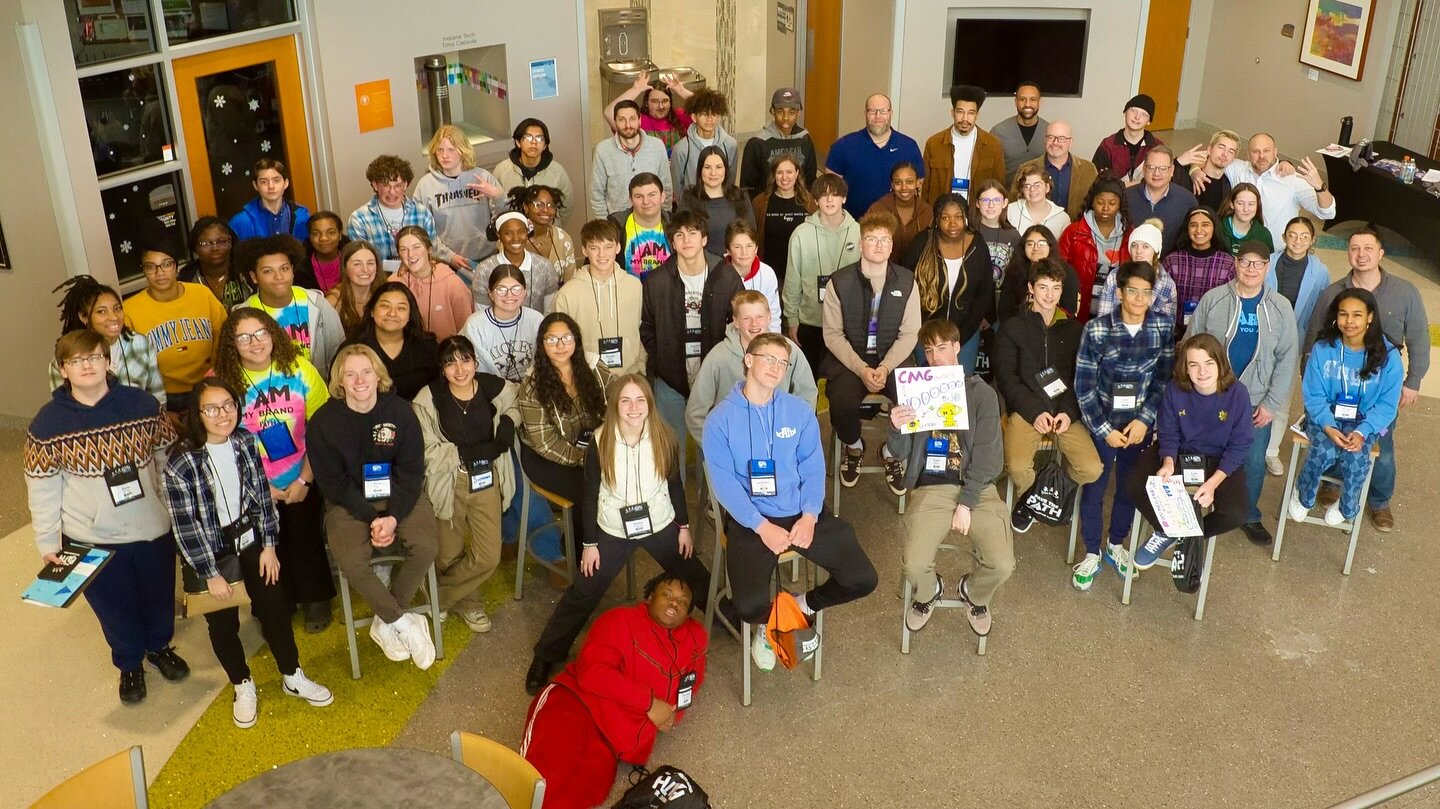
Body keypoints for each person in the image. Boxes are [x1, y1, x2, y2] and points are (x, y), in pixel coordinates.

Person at [26, 329, 187, 705]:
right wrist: (48, 543)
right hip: (90, 535)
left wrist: (173, 511)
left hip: (150, 524)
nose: (87, 366)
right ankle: (130, 664)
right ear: (62, 370)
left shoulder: (142, 405)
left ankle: (159, 647)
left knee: (158, 594)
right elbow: (43, 489)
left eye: (94, 357)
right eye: (76, 361)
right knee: (114, 607)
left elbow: (165, 460)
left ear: (108, 361)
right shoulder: (47, 425)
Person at [162, 377, 333, 727]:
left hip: (250, 538)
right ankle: (242, 682)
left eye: (228, 405)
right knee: (222, 623)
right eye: (212, 408)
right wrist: (210, 573)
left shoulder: (243, 441)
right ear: (197, 413)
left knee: (274, 607)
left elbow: (260, 498)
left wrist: (269, 545)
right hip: (211, 549)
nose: (223, 414)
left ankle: (292, 674)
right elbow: (185, 526)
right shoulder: (180, 462)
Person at [526, 374, 712, 693]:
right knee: (584, 590)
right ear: (615, 406)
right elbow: (590, 495)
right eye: (625, 400)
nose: (633, 407)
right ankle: (546, 654)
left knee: (693, 572)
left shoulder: (665, 437)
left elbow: (676, 487)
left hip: (658, 521)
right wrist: (590, 544)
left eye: (640, 400)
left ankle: (733, 618)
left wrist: (683, 527)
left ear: (649, 405)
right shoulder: (600, 442)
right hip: (613, 528)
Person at [702, 332, 878, 670]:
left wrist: (810, 516)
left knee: (863, 578)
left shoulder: (798, 412)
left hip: (802, 513)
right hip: (752, 519)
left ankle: (797, 607)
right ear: (748, 360)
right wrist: (760, 526)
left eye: (782, 363)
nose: (775, 367)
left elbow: (813, 469)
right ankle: (769, 625)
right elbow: (724, 484)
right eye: (768, 358)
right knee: (749, 606)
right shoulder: (720, 420)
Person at [522, 572, 708, 809]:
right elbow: (592, 673)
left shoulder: (695, 638)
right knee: (539, 781)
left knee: (579, 796)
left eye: (683, 602)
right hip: (575, 704)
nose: (674, 603)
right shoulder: (620, 620)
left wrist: (671, 714)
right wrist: (650, 703)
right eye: (667, 594)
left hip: (611, 744)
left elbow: (692, 681)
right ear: (650, 597)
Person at [308, 344, 439, 669]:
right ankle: (402, 621)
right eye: (350, 374)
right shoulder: (324, 422)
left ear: (378, 374)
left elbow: (411, 472)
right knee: (351, 560)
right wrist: (372, 519)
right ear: (339, 380)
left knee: (426, 546)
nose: (359, 380)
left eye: (366, 371)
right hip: (349, 500)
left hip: (400, 494)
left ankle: (386, 620)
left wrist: (391, 517)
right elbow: (333, 484)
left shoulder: (399, 412)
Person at [212, 307, 336, 635]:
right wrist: (261, 488)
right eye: (243, 337)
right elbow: (217, 443)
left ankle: (315, 598)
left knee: (303, 533)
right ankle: (276, 605)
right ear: (231, 343)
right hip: (249, 484)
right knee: (262, 548)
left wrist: (303, 479)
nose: (254, 342)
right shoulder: (221, 382)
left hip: (301, 473)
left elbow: (322, 430)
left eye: (261, 333)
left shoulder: (300, 370)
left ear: (273, 334)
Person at [890, 319, 1012, 636]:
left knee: (1002, 564)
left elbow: (989, 456)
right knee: (914, 565)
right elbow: (899, 452)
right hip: (932, 485)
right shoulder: (914, 390)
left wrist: (967, 503)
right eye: (929, 351)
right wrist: (896, 425)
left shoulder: (981, 394)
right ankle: (928, 592)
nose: (935, 357)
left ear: (957, 348)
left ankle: (974, 593)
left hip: (978, 489)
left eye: (942, 348)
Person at [1302, 228, 1428, 532]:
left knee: (1380, 447)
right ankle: (1332, 485)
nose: (1361, 254)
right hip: (1337, 386)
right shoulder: (1333, 292)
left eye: (1368, 248)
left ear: (1380, 253)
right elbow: (1314, 336)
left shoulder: (1404, 291)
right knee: (1331, 436)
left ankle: (1379, 501)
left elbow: (1420, 338)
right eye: (1354, 248)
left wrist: (1413, 382)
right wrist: (1309, 378)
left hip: (1378, 386)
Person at [1072, 261, 1175, 591]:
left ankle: (1116, 544)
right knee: (1096, 487)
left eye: (1146, 292)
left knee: (1130, 488)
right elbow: (1084, 386)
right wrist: (1103, 429)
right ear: (1119, 292)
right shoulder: (1097, 329)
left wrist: (1145, 420)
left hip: (1138, 427)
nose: (1139, 298)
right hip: (1102, 423)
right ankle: (1091, 550)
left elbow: (1162, 380)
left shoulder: (1161, 327)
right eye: (1133, 291)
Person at [1190, 241, 1298, 545]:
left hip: (1255, 400)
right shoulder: (1213, 300)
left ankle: (1247, 513)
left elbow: (1288, 358)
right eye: (1245, 262)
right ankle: (1199, 505)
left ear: (1267, 268)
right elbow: (1191, 343)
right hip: (1210, 395)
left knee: (1251, 461)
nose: (1251, 269)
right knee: (1201, 451)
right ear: (1235, 264)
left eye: (1258, 264)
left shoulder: (1280, 307)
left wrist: (1272, 404)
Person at [1126, 333, 1255, 568]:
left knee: (1237, 512)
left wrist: (1214, 483)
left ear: (1220, 363)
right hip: (1180, 452)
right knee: (1135, 483)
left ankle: (1189, 536)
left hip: (1219, 459)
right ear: (1185, 368)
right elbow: (1168, 431)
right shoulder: (1175, 390)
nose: (1202, 372)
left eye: (1209, 363)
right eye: (1194, 365)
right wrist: (1168, 462)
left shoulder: (1238, 393)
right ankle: (1168, 531)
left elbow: (1240, 444)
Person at [411, 335, 512, 634]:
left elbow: (519, 402)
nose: (459, 369)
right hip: (448, 481)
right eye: (450, 362)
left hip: (486, 479)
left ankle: (438, 596)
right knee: (449, 552)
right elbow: (426, 451)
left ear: (475, 361)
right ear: (442, 369)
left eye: (465, 360)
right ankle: (470, 604)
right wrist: (465, 454)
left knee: (488, 555)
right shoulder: (428, 399)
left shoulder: (494, 388)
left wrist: (509, 422)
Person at [994, 261, 1102, 532]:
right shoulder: (1013, 327)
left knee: (1092, 469)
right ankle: (1031, 499)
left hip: (1064, 411)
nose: (1049, 295)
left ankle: (1051, 491)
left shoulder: (1075, 329)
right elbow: (1007, 378)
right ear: (1031, 289)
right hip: (1028, 410)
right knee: (1017, 466)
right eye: (1043, 287)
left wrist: (1067, 413)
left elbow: (1081, 378)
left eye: (1056, 288)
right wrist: (1034, 412)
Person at [1289, 289, 1403, 528]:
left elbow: (1387, 404)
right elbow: (1313, 394)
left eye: (1357, 315)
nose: (1349, 321)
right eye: (1343, 314)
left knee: (1356, 457)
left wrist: (1363, 431)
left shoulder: (1389, 356)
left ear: (1370, 317)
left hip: (1364, 418)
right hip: (1326, 414)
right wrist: (1328, 426)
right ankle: (1303, 494)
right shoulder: (1323, 349)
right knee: (1324, 450)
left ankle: (1347, 506)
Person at [823, 211, 921, 489]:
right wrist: (861, 369)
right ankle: (854, 447)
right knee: (840, 402)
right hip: (850, 360)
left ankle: (891, 452)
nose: (878, 245)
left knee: (912, 402)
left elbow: (910, 333)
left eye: (884, 239)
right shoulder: (839, 282)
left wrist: (886, 367)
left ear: (892, 245)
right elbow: (832, 334)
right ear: (861, 242)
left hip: (893, 358)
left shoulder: (907, 281)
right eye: (871, 238)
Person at [517, 313, 614, 564]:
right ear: (542, 344)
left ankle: (605, 548)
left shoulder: (593, 367)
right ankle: (579, 559)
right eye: (552, 340)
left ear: (576, 340)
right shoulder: (532, 385)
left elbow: (617, 401)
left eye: (566, 338)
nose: (560, 346)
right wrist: (587, 459)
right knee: (589, 490)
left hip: (590, 448)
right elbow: (546, 443)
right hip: (545, 457)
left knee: (614, 484)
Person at [640, 210, 744, 443]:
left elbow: (738, 323)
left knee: (712, 445)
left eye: (692, 233)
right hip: (669, 377)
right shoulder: (656, 281)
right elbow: (647, 328)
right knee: (671, 446)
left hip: (714, 373)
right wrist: (664, 356)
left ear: (704, 239)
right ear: (673, 243)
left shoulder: (726, 276)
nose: (686, 240)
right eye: (679, 235)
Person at [686, 290, 818, 444]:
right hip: (731, 448)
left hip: (778, 446)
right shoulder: (718, 357)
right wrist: (718, 448)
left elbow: (807, 395)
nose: (754, 324)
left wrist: (791, 438)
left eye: (760, 317)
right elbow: (695, 413)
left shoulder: (790, 351)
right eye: (746, 318)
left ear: (769, 317)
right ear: (735, 321)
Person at [124, 241, 229, 418]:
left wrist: (216, 381)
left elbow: (224, 338)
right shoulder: (129, 310)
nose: (159, 273)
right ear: (143, 270)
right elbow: (130, 370)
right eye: (151, 267)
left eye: (166, 264)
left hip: (209, 385)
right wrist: (160, 411)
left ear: (176, 266)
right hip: (163, 397)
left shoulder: (202, 294)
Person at [1260, 217, 1331, 475]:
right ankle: (1247, 446)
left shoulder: (1320, 271)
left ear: (1312, 240)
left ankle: (1271, 451)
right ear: (1284, 237)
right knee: (1254, 390)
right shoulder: (1268, 261)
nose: (1298, 240)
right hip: (1263, 335)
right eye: (1293, 234)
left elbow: (1320, 312)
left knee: (1282, 397)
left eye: (1304, 236)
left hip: (1296, 340)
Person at [904, 193, 991, 371]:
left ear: (965, 218)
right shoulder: (923, 242)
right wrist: (919, 326)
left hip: (965, 333)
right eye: (945, 217)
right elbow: (905, 284)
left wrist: (961, 336)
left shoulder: (977, 244)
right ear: (936, 219)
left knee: (960, 387)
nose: (952, 223)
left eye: (958, 217)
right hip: (926, 332)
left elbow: (984, 292)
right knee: (928, 388)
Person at [236, 234, 345, 378]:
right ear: (254, 277)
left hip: (319, 392)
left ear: (293, 270)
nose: (279, 276)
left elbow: (338, 352)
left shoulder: (316, 304)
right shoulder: (242, 315)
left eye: (284, 269)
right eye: (268, 271)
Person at [1185, 132, 1335, 233]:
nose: (1261, 156)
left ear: (1275, 152)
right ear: (1248, 154)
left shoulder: (1292, 180)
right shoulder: (1238, 168)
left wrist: (1320, 187)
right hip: (1239, 248)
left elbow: (1328, 213)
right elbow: (1212, 155)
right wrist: (1194, 169)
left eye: (1266, 151)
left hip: (1275, 253)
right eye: (1255, 151)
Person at [783, 174, 859, 370]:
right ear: (816, 200)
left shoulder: (859, 232)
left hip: (848, 322)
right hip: (810, 320)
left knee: (842, 380)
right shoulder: (801, 233)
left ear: (844, 198)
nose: (830, 200)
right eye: (824, 196)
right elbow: (793, 280)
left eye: (835, 195)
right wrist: (792, 319)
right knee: (809, 379)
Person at [49, 276, 165, 404]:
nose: (113, 316)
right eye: (101, 311)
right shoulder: (66, 357)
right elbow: (64, 407)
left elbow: (157, 396)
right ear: (84, 317)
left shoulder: (140, 344)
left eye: (117, 308)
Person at [554, 220, 645, 376]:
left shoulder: (635, 286)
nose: (602, 255)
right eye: (594, 248)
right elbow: (558, 340)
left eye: (608, 247)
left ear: (618, 247)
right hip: (587, 377)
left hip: (631, 374)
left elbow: (644, 330)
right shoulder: (567, 293)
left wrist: (642, 367)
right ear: (584, 250)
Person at [413, 123, 504, 275]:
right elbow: (421, 231)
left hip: (488, 257)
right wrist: (449, 256)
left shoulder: (482, 177)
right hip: (448, 263)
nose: (445, 155)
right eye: (440, 150)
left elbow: (504, 219)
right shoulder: (425, 186)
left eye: (451, 150)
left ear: (462, 151)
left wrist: (497, 196)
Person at [825, 93, 924, 217]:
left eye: (883, 111)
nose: (878, 116)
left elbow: (918, 188)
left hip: (898, 227)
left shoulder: (909, 146)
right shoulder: (843, 146)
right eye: (872, 111)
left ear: (891, 114)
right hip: (854, 225)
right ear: (865, 113)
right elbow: (829, 188)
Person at [339, 281, 441, 401]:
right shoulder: (351, 349)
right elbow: (338, 391)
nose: (392, 313)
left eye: (401, 308)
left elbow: (440, 390)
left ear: (410, 315)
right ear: (371, 310)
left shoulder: (427, 347)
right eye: (385, 306)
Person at [1057, 173, 1132, 322]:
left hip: (1116, 315)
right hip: (1079, 312)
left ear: (1119, 205)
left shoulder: (1130, 235)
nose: (1105, 208)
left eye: (1112, 203)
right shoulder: (1073, 232)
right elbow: (1058, 269)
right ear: (1092, 202)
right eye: (1100, 202)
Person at [921, 84, 1007, 206]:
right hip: (943, 214)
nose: (965, 118)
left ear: (977, 115)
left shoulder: (993, 145)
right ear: (952, 112)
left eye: (971, 113)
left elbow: (999, 186)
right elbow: (925, 187)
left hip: (978, 214)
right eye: (960, 112)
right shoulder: (934, 144)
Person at [346, 154, 437, 267]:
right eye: (386, 185)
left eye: (398, 185)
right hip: (379, 281)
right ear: (375, 185)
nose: (392, 192)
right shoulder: (359, 219)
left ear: (405, 185)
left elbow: (432, 254)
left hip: (417, 280)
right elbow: (360, 262)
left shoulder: (422, 214)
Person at [590, 99, 671, 219]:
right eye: (622, 120)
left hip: (652, 221)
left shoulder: (657, 146)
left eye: (632, 119)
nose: (628, 125)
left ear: (639, 120)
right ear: (615, 122)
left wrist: (665, 218)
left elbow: (666, 186)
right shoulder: (603, 150)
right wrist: (605, 226)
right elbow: (596, 192)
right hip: (617, 223)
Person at [462, 264, 544, 382]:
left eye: (516, 289)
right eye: (501, 289)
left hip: (531, 391)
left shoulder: (537, 320)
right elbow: (479, 372)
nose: (509, 295)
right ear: (490, 293)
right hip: (493, 392)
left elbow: (541, 364)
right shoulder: (475, 326)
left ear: (525, 292)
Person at [391, 225, 473, 341]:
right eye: (404, 249)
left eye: (416, 247)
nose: (410, 254)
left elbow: (467, 329)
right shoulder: (393, 284)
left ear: (429, 249)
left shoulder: (452, 283)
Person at [1163, 207, 1235, 339]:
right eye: (1193, 225)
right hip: (1175, 336)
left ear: (1214, 228)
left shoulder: (1228, 264)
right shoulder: (1172, 261)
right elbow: (1163, 305)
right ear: (1187, 229)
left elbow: (1231, 307)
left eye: (1205, 225)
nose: (1199, 230)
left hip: (1214, 337)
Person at [1094, 220, 1179, 323]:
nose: (1138, 251)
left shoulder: (1167, 285)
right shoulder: (1114, 276)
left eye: (1145, 246)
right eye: (1134, 245)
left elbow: (1165, 329)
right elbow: (1103, 320)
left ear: (1156, 251)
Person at [740, 86, 818, 197]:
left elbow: (810, 180)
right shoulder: (757, 143)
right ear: (772, 111)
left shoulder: (805, 140)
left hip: (799, 204)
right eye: (780, 112)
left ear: (798, 113)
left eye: (791, 112)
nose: (786, 118)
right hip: (766, 206)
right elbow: (747, 187)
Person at [492, 118, 575, 220]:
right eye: (528, 137)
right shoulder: (502, 170)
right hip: (514, 233)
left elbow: (566, 206)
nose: (534, 142)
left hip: (547, 232)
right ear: (518, 142)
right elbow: (493, 204)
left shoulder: (557, 171)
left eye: (540, 138)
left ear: (545, 146)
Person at [678, 147, 755, 259]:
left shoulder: (741, 196)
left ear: (726, 170)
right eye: (707, 167)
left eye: (719, 167)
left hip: (736, 266)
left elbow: (751, 234)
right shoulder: (688, 199)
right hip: (699, 267)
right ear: (700, 170)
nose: (713, 173)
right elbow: (682, 237)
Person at [475, 212, 560, 312]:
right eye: (508, 233)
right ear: (499, 234)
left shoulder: (544, 266)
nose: (516, 238)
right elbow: (482, 314)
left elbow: (550, 311)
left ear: (527, 232)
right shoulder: (485, 269)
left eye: (521, 232)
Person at [995, 225, 1081, 322]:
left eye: (1042, 243)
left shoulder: (1066, 272)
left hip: (1056, 329)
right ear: (1023, 248)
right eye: (1030, 244)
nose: (1036, 248)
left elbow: (1069, 312)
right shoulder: (1014, 271)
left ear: (1050, 245)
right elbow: (1005, 310)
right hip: (1019, 329)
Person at [752, 154, 816, 285]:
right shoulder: (760, 203)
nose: (785, 177)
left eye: (789, 172)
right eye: (779, 172)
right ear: (773, 175)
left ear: (797, 173)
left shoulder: (810, 202)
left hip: (802, 276)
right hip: (770, 275)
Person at [1016, 119, 1097, 219]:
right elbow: (1015, 205)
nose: (1055, 142)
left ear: (1071, 142)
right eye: (1051, 137)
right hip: (1037, 231)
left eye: (1061, 138)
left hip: (1077, 231)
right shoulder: (1025, 169)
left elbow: (1096, 205)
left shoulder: (1088, 169)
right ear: (1045, 140)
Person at [669, 87, 738, 199]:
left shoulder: (730, 145)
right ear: (694, 117)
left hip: (721, 206)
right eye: (704, 114)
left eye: (714, 114)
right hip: (692, 209)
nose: (710, 119)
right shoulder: (681, 149)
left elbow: (730, 182)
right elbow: (677, 186)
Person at [1125, 146, 1195, 255]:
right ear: (1144, 169)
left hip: (1171, 266)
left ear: (1172, 170)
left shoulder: (1187, 201)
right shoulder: (1126, 196)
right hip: (1133, 264)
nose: (1156, 173)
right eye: (1151, 167)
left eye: (1163, 168)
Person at [604, 70, 694, 154]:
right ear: (646, 103)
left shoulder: (680, 116)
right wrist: (635, 90)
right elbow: (609, 113)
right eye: (655, 101)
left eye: (665, 101)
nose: (661, 106)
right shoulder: (637, 120)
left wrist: (682, 91)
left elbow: (706, 109)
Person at [605, 172, 672, 280]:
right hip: (628, 293)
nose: (646, 201)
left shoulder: (676, 225)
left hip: (667, 294)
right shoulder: (616, 227)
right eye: (639, 196)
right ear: (631, 199)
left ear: (662, 196)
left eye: (652, 195)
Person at [228, 159, 310, 242]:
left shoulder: (302, 217)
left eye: (276, 180)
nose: (271, 186)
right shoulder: (239, 222)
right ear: (255, 185)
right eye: (264, 182)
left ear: (285, 183)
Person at [864, 161, 933, 260]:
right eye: (898, 182)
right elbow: (866, 245)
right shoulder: (877, 210)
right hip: (882, 271)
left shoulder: (928, 212)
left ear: (918, 183)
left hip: (919, 272)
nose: (904, 187)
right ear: (892, 184)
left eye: (909, 182)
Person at [181, 217, 252, 309]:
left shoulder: (247, 271)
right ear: (195, 247)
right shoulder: (186, 279)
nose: (215, 248)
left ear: (230, 242)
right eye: (205, 243)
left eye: (221, 241)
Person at [723, 220, 781, 333]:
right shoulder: (719, 274)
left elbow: (773, 316)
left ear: (756, 249)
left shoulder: (767, 273)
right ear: (728, 250)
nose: (744, 252)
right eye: (737, 247)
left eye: (749, 246)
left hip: (761, 338)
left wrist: (773, 344)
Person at [1092, 94, 1163, 185]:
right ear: (1124, 113)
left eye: (1144, 114)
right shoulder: (1108, 145)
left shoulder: (1157, 147)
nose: (1137, 117)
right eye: (1133, 110)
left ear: (1149, 121)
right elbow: (1096, 179)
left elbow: (1162, 179)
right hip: (1115, 197)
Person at [510, 184, 576, 283]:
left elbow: (571, 281)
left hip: (558, 297)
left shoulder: (563, 238)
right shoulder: (513, 239)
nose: (546, 210)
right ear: (526, 207)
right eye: (539, 204)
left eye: (551, 205)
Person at [991, 81, 1048, 185]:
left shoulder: (1050, 132)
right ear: (1015, 101)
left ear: (1040, 102)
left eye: (1033, 99)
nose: (1027, 104)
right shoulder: (998, 131)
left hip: (1040, 198)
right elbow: (990, 171)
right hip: (1007, 197)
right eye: (1022, 99)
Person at [970, 180, 1021, 293]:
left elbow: (1018, 271)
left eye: (997, 200)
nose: (991, 205)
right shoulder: (969, 232)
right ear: (977, 203)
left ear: (1005, 203)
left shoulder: (1013, 235)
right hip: (973, 296)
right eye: (985, 200)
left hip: (1002, 298)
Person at [1174, 129, 1240, 211]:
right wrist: (1179, 161)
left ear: (1233, 159)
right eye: (1221, 147)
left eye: (1231, 151)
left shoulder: (1227, 186)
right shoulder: (1185, 174)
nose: (1225, 154)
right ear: (1209, 149)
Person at [326, 240, 380, 338]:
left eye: (370, 263)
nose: (365, 269)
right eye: (357, 264)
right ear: (345, 268)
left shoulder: (385, 295)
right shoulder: (333, 301)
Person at [1006, 165, 1070, 240]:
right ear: (1022, 191)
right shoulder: (1010, 211)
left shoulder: (1062, 218)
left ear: (1047, 187)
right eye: (1027, 186)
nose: (1032, 189)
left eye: (1037, 185)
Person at [1217, 183, 1273, 256]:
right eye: (1240, 203)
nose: (1246, 209)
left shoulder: (1264, 234)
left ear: (1257, 206)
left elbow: (1268, 263)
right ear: (1232, 204)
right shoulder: (1217, 229)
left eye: (1251, 204)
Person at [302, 210, 348, 293]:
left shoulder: (352, 259)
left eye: (331, 232)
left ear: (340, 235)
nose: (323, 238)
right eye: (316, 234)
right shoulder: (300, 269)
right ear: (310, 237)